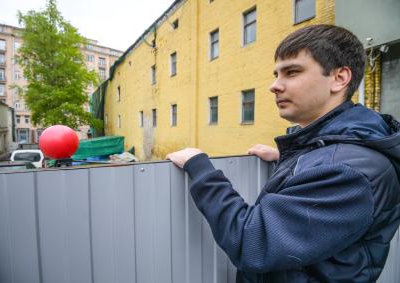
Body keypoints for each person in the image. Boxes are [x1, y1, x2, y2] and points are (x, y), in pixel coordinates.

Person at [167, 24, 400, 282]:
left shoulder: (351, 173)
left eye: (291, 72)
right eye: (277, 74)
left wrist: (200, 168)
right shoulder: (340, 153)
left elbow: (252, 242)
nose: (274, 86)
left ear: (339, 78)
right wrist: (289, 157)